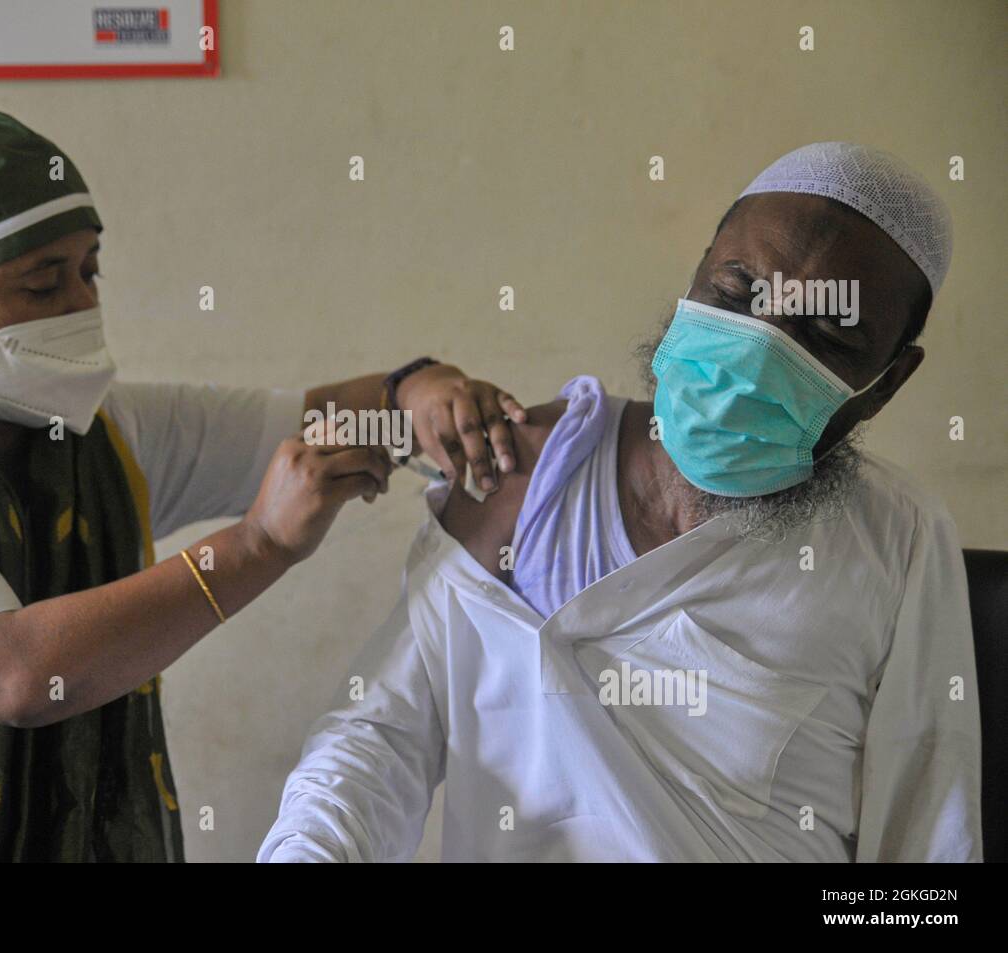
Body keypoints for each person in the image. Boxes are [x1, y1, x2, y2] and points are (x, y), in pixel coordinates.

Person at [0, 101, 526, 862]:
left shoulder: (94, 440)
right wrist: (257, 546)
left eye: (88, 270)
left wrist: (412, 390)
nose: (79, 303)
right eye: (41, 283)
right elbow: (11, 674)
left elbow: (317, 422)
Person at [259, 143, 982, 862]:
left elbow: (927, 844)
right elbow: (378, 740)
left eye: (824, 334)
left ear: (887, 382)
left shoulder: (896, 541)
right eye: (736, 293)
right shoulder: (523, 472)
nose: (758, 352)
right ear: (696, 274)